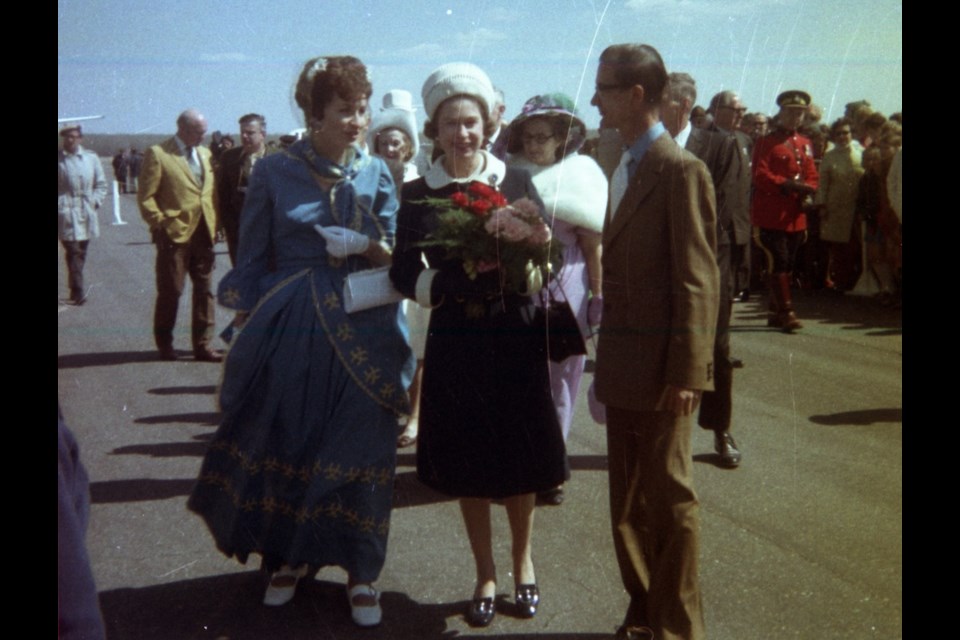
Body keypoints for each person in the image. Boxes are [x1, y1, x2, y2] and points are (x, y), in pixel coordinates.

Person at [187, 56, 412, 628]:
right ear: (314, 115)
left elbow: (394, 255)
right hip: (294, 326)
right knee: (294, 437)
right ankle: (289, 557)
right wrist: (257, 315)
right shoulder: (273, 171)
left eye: (362, 109)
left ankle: (363, 572)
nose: (357, 122)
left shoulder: (380, 173)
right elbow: (254, 258)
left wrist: (363, 242)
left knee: (362, 443)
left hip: (368, 323)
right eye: (344, 111)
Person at [389, 62, 567, 628]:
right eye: (450, 124)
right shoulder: (418, 193)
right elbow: (399, 270)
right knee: (468, 460)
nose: (462, 134)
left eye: (470, 122)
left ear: (486, 124)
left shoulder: (514, 180)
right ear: (434, 131)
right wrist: (443, 285)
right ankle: (485, 572)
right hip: (458, 336)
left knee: (518, 456)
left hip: (512, 333)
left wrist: (525, 268)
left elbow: (550, 256)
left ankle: (523, 563)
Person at [591, 44, 719, 640]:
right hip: (624, 362)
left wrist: (690, 372)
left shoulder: (679, 169)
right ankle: (644, 610)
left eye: (606, 88)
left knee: (671, 502)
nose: (596, 99)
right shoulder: (621, 159)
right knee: (628, 504)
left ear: (637, 95)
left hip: (664, 371)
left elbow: (697, 278)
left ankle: (679, 627)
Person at [505, 92, 607, 502]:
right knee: (525, 374)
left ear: (563, 137)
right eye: (528, 136)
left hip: (568, 281)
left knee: (562, 375)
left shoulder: (581, 174)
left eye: (543, 136)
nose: (534, 144)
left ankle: (553, 465)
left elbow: (594, 245)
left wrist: (600, 294)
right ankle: (527, 454)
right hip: (521, 282)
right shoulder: (512, 173)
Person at [662, 72, 742, 468]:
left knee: (716, 348)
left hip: (710, 260)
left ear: (681, 105)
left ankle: (719, 428)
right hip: (660, 262)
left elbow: (721, 207)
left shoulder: (717, 144)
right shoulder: (646, 147)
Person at [367, 89, 426, 448]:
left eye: (397, 142)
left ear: (407, 146)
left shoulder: (419, 179)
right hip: (375, 266)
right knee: (382, 343)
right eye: (385, 142)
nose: (391, 148)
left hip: (411, 266)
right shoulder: (365, 176)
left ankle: (416, 416)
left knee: (415, 344)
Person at [137, 108, 220, 361]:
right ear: (182, 128)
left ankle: (202, 345)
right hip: (174, 235)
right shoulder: (159, 153)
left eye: (204, 131)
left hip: (204, 233)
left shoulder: (205, 154)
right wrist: (160, 222)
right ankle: (165, 343)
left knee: (205, 291)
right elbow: (146, 196)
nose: (203, 137)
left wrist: (216, 224)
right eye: (198, 131)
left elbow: (209, 192)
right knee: (171, 290)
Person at [751, 90, 819, 331]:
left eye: (800, 113)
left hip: (795, 216)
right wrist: (787, 185)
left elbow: (811, 173)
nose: (795, 117)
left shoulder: (805, 143)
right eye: (791, 112)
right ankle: (787, 311)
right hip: (771, 215)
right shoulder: (766, 142)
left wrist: (808, 187)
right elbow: (760, 174)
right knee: (778, 260)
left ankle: (774, 310)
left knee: (788, 262)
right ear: (781, 113)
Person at [59, 124, 107, 306]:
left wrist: (95, 201)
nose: (69, 140)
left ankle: (73, 286)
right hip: (65, 211)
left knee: (81, 252)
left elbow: (101, 184)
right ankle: (79, 291)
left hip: (86, 210)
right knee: (73, 251)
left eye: (73, 136)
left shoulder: (91, 158)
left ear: (80, 138)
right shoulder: (59, 159)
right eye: (66, 137)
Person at [216, 113, 273, 265]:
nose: (245, 136)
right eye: (242, 132)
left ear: (263, 134)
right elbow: (222, 194)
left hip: (270, 231)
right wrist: (226, 225)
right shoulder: (229, 157)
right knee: (241, 274)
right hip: (238, 230)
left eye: (250, 133)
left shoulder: (278, 158)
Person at [816, 118, 864, 291]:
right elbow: (822, 183)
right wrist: (821, 205)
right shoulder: (829, 156)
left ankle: (857, 282)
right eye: (839, 133)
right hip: (836, 207)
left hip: (858, 207)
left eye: (846, 132)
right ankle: (842, 283)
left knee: (858, 246)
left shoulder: (861, 152)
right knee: (839, 248)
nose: (843, 136)